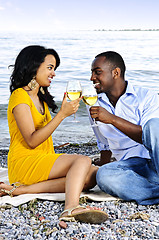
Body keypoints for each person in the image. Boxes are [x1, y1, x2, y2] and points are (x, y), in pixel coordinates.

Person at [0, 45, 108, 224]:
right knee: (82, 161)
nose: (54, 74)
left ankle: (21, 190)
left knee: (91, 175)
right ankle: (70, 208)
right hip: (24, 162)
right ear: (33, 67)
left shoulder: (39, 97)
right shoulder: (19, 97)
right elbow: (32, 140)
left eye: (54, 69)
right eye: (50, 68)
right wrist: (62, 115)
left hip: (42, 159)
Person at [88, 51, 159, 205]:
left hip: (155, 160)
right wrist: (102, 164)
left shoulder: (146, 97)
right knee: (104, 176)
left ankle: (147, 192)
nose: (92, 78)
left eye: (97, 72)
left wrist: (112, 119)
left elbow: (150, 136)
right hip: (130, 169)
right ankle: (154, 192)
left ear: (116, 73)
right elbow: (104, 144)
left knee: (154, 125)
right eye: (92, 73)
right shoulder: (95, 105)